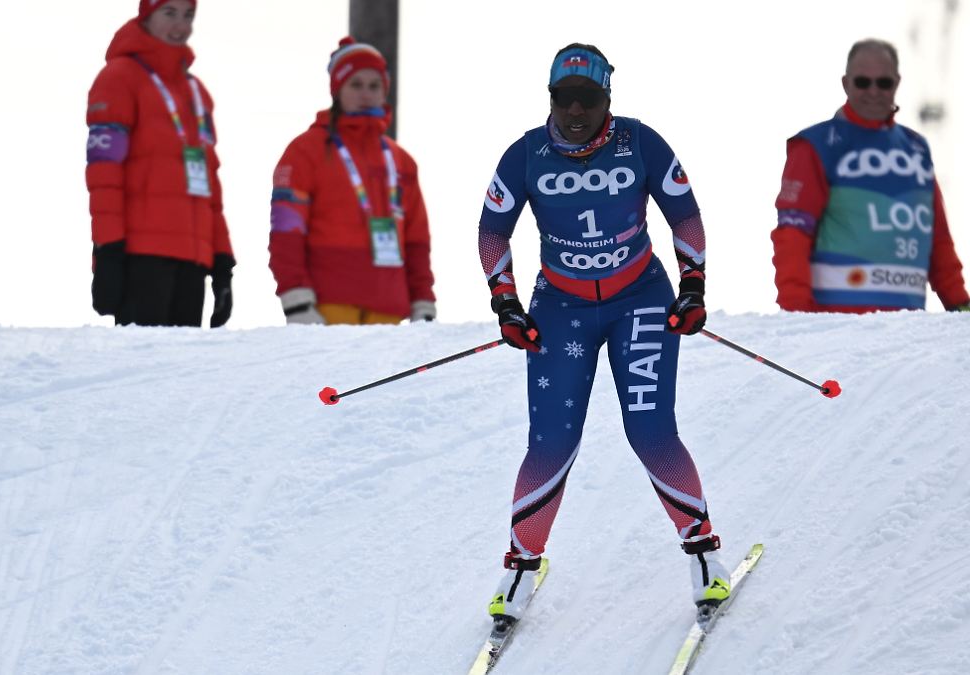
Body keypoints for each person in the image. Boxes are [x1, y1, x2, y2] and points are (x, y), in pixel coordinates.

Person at [477, 43, 731, 627]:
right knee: (551, 442)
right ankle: (522, 563)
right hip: (561, 307)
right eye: (564, 100)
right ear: (550, 99)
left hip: (639, 299)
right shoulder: (525, 154)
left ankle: (703, 557)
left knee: (650, 431)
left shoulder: (639, 142)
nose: (575, 112)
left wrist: (692, 286)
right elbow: (493, 230)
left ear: (607, 100)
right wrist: (506, 302)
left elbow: (684, 214)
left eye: (587, 100)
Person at [772, 38, 970, 313]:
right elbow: (792, 235)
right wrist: (795, 315)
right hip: (837, 324)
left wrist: (960, 305)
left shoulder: (916, 148)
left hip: (908, 327)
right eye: (863, 82)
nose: (874, 91)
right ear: (846, 83)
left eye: (884, 83)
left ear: (897, 83)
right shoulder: (815, 145)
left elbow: (938, 239)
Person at [85, 0, 235, 328]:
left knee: (180, 374)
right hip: (141, 255)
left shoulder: (196, 92)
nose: (180, 25)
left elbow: (210, 182)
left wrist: (223, 264)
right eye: (170, 13)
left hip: (193, 258)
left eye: (188, 15)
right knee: (143, 371)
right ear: (147, 16)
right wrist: (108, 251)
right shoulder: (119, 78)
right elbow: (103, 176)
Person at [268, 37, 436, 325]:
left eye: (374, 86)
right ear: (337, 89)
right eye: (355, 85)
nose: (366, 94)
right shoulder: (305, 151)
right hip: (327, 306)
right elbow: (286, 233)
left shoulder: (401, 161)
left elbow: (417, 241)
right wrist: (295, 300)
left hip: (389, 310)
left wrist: (424, 302)